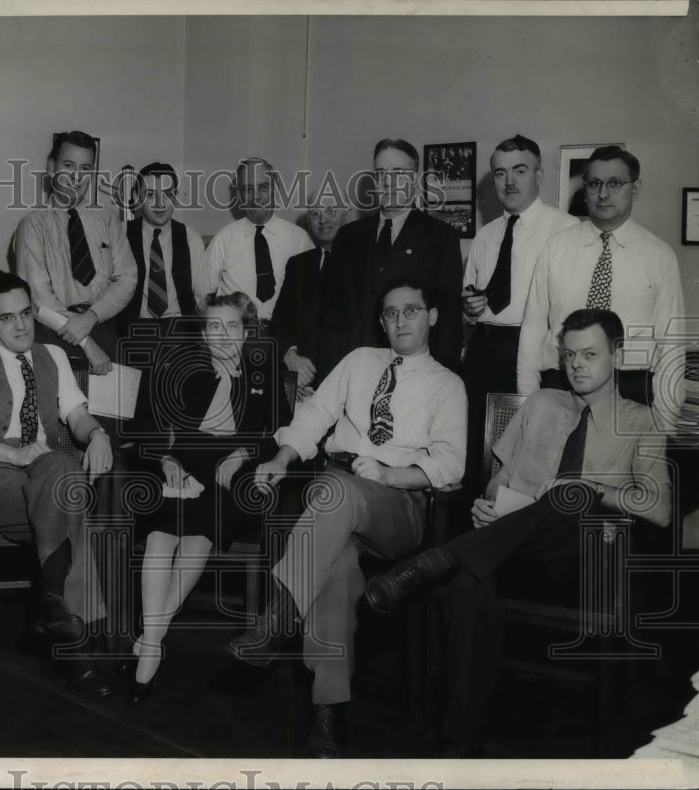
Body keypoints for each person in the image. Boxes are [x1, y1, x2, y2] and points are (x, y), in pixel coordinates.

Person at [366, 308, 672, 757]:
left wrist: (588, 489)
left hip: (582, 563)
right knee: (473, 579)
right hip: (507, 548)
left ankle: (440, 559)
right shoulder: (542, 403)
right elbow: (500, 476)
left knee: (570, 498)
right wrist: (491, 504)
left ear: (618, 355)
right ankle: (460, 737)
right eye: (569, 355)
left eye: (589, 354)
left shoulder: (642, 422)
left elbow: (660, 509)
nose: (577, 365)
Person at [227, 276, 466, 758]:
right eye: (391, 314)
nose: (400, 321)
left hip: (396, 508)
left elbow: (450, 464)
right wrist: (282, 458)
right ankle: (327, 715)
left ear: (432, 316)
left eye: (411, 311)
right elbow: (316, 413)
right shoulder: (360, 361)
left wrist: (392, 473)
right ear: (381, 321)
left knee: (335, 491)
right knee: (334, 572)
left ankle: (279, 617)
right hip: (333, 501)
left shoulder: (447, 384)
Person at [0, 271, 114, 698]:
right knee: (69, 493)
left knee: (62, 480)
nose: (20, 326)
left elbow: (76, 415)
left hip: (45, 473)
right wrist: (15, 454)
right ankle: (74, 633)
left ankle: (56, 616)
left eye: (26, 314)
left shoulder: (52, 355)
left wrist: (99, 435)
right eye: (6, 317)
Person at [125, 292, 291, 703]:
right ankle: (154, 639)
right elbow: (146, 425)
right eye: (213, 327)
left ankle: (150, 641)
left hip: (233, 474)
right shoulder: (182, 368)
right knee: (164, 531)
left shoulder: (263, 371)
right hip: (182, 462)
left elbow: (281, 434)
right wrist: (166, 461)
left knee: (200, 531)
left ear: (246, 330)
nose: (223, 336)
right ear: (203, 332)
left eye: (232, 326)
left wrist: (242, 454)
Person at [516, 146, 685, 428]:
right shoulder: (556, 247)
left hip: (629, 387)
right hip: (561, 383)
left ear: (636, 187)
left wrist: (664, 421)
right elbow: (532, 329)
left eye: (615, 183)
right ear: (585, 189)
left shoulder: (659, 256)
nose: (603, 194)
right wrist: (528, 400)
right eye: (595, 184)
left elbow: (672, 343)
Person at [460, 135, 578, 486]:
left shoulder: (566, 230)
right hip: (484, 351)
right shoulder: (486, 235)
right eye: (500, 173)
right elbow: (470, 303)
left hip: (537, 354)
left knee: (531, 457)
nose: (509, 181)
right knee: (478, 450)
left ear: (539, 176)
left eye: (520, 170)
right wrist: (470, 308)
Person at [321, 139, 464, 373]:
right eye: (380, 174)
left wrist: (437, 379)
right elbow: (330, 315)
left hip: (412, 374)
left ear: (416, 181)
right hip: (353, 373)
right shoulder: (348, 237)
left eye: (398, 173)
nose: (388, 182)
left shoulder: (440, 237)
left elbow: (447, 322)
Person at [14, 130, 136, 375]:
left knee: (109, 412)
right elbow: (40, 300)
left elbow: (127, 278)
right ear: (51, 167)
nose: (76, 177)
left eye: (85, 168)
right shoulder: (33, 225)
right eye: (68, 165)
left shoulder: (108, 219)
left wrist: (91, 317)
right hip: (53, 334)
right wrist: (86, 343)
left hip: (103, 327)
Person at [202, 157, 314, 323]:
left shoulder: (299, 239)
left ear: (275, 190)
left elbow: (313, 298)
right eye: (248, 189)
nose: (256, 197)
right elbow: (203, 299)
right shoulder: (222, 239)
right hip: (237, 336)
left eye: (263, 187)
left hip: (285, 336)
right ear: (239, 196)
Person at [271, 189, 352, 393]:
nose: (322, 219)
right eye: (315, 214)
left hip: (348, 382)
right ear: (309, 221)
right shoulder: (298, 265)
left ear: (346, 215)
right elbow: (279, 322)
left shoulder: (365, 262)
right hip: (302, 386)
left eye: (331, 211)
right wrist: (290, 355)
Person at [115, 162, 206, 336]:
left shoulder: (191, 239)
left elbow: (203, 299)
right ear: (136, 196)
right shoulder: (120, 234)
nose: (160, 203)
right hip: (134, 331)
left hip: (181, 332)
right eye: (150, 195)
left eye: (167, 194)